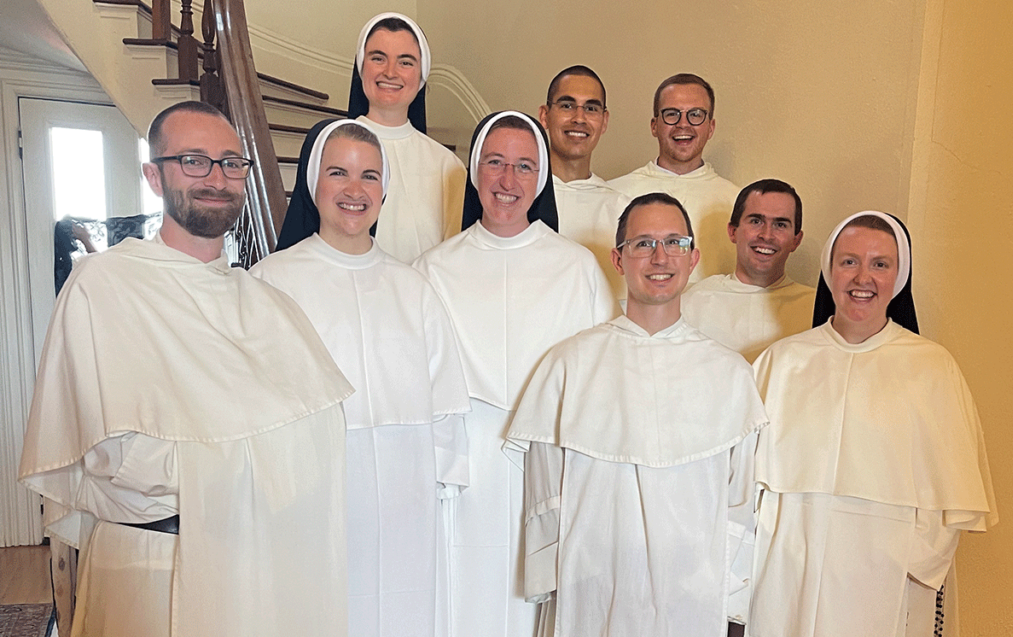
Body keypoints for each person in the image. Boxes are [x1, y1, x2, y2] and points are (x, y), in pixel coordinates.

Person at [18, 101, 354, 637]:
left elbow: (323, 442)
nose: (216, 178)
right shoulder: (103, 288)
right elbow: (126, 463)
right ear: (154, 174)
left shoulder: (268, 304)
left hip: (261, 567)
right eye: (193, 161)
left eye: (230, 163)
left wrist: (230, 462)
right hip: (150, 567)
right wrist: (257, 461)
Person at [506, 192, 767, 637]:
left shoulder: (729, 374)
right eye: (643, 243)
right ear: (618, 258)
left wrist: (731, 597)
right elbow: (545, 486)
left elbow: (740, 504)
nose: (660, 256)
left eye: (674, 243)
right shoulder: (570, 363)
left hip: (693, 596)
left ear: (693, 257)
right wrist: (552, 579)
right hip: (589, 591)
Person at [251, 119, 470, 637]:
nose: (355, 190)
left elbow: (445, 400)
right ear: (313, 183)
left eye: (370, 176)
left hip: (405, 497)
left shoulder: (412, 286)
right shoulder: (272, 281)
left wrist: (441, 486)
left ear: (385, 190)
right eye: (338, 173)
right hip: (310, 494)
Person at [414, 110, 618, 637]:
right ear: (475, 171)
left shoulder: (577, 268)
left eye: (524, 166)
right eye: (496, 164)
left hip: (551, 467)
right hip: (462, 471)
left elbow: (599, 384)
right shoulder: (434, 269)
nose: (508, 181)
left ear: (542, 177)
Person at [749, 211, 997, 637]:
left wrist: (914, 566)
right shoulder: (782, 360)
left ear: (899, 276)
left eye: (880, 264)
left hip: (889, 578)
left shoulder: (932, 367)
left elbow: (949, 505)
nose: (863, 277)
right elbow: (746, 487)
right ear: (830, 270)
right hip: (787, 571)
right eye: (849, 261)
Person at [277, 13, 465, 263]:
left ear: (422, 76)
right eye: (378, 58)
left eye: (405, 62)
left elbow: (453, 260)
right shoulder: (327, 147)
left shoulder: (448, 165)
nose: (390, 72)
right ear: (361, 67)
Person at [610, 73, 738, 283]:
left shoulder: (735, 204)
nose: (683, 124)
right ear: (654, 125)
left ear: (711, 127)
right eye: (672, 114)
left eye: (695, 114)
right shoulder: (614, 194)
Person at [680, 179, 814, 363]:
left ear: (796, 240)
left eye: (780, 225)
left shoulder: (818, 309)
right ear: (733, 231)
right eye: (756, 221)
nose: (766, 235)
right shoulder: (692, 304)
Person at [538, 65, 629, 298]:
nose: (579, 118)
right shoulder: (517, 199)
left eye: (591, 108)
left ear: (604, 121)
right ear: (544, 116)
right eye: (567, 105)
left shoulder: (622, 211)